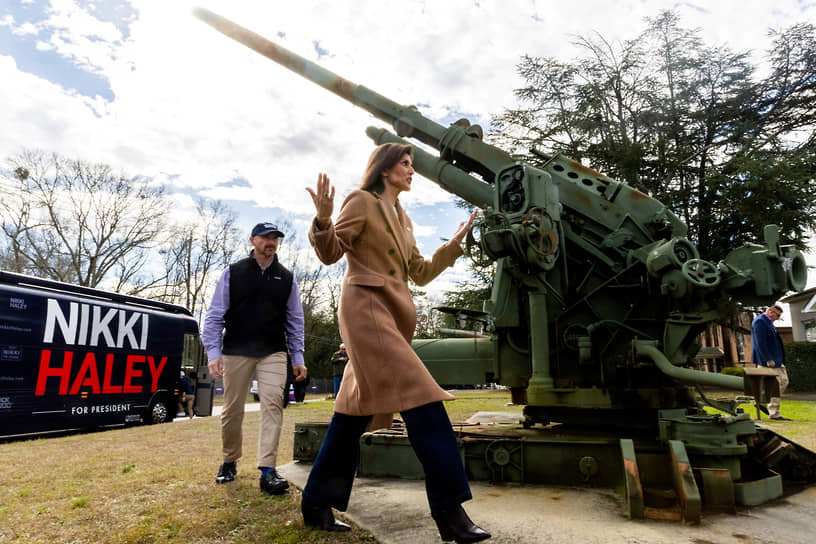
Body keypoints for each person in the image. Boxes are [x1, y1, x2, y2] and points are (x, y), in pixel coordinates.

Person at [302, 143, 489, 543]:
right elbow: (332, 252)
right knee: (424, 400)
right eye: (405, 164)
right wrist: (322, 221)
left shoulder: (404, 219)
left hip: (391, 318)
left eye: (412, 165)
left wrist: (454, 244)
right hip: (366, 312)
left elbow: (419, 273)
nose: (411, 171)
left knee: (350, 416)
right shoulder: (362, 200)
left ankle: (316, 502)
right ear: (385, 169)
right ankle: (449, 512)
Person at [202, 222, 308, 495]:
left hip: (272, 350)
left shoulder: (286, 278)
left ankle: (268, 470)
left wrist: (297, 356)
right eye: (265, 237)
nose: (270, 242)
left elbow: (295, 320)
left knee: (273, 403)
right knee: (232, 410)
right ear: (253, 240)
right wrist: (213, 353)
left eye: (275, 238)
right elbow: (214, 316)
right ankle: (229, 460)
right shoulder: (233, 273)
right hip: (236, 350)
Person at [751, 303, 791, 421]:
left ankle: (763, 403)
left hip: (776, 360)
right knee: (777, 384)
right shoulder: (760, 322)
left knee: (782, 382)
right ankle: (774, 412)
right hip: (768, 361)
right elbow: (760, 343)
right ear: (770, 312)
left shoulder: (768, 322)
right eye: (777, 315)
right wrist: (767, 358)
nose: (777, 318)